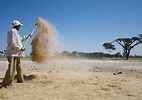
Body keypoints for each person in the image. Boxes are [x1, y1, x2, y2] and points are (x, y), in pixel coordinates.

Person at [1, 20, 31, 87]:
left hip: (17, 53)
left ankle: (20, 80)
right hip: (12, 53)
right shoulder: (12, 31)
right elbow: (12, 43)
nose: (20, 27)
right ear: (17, 25)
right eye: (19, 25)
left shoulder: (16, 32)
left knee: (19, 66)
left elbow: (20, 40)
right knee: (12, 68)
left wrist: (27, 36)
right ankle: (6, 83)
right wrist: (20, 48)